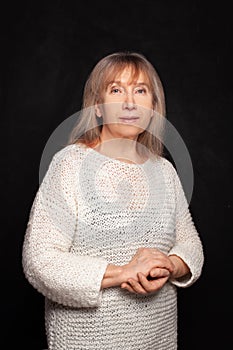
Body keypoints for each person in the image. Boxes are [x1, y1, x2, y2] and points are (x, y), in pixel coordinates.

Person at [22, 51, 204, 350]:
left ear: (153, 106)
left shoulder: (165, 171)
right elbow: (40, 262)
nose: (130, 102)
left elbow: (191, 245)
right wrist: (123, 273)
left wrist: (169, 265)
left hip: (159, 339)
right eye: (116, 90)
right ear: (97, 106)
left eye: (141, 91)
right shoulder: (70, 165)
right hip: (89, 340)